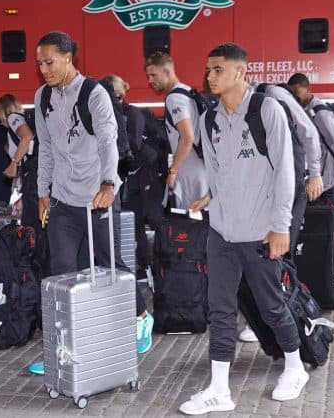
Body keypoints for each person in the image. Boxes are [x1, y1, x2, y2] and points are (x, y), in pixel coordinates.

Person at [180, 43, 308, 414]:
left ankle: (296, 368)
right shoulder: (208, 119)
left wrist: (280, 227)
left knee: (271, 306)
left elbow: (286, 172)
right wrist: (210, 196)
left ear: (240, 72)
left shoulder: (267, 110)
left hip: (260, 231)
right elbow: (219, 171)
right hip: (221, 231)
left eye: (217, 69)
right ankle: (220, 390)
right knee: (219, 310)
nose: (209, 76)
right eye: (208, 70)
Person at [27, 31, 154, 376]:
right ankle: (62, 352)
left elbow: (108, 144)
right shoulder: (42, 98)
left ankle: (141, 316)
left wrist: (109, 183)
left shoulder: (94, 94)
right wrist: (42, 193)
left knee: (106, 262)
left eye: (49, 61)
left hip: (97, 198)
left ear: (68, 58)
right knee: (62, 275)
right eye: (39, 62)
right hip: (63, 202)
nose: (43, 68)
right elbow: (47, 149)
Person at [238, 81, 324, 344]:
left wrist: (315, 174)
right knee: (264, 253)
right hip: (264, 190)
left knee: (277, 252)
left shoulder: (273, 95)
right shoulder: (238, 109)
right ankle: (271, 318)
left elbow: (309, 132)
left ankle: (284, 319)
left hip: (290, 185)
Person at [101, 74, 164, 272]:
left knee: (153, 217)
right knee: (134, 220)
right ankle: (146, 263)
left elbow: (133, 144)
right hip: (132, 174)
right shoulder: (115, 114)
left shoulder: (132, 113)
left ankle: (163, 260)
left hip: (147, 171)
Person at [145, 51, 208, 210]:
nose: (150, 81)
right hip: (201, 169)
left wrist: (173, 171)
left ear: (167, 72)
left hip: (190, 173)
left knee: (191, 226)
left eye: (153, 75)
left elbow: (187, 137)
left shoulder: (174, 98)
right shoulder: (187, 91)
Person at [287, 73, 334, 202]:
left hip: (324, 185)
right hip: (312, 183)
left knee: (323, 220)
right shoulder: (302, 111)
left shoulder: (320, 114)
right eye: (292, 93)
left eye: (297, 92)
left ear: (309, 89)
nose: (295, 97)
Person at [0, 94, 38, 229]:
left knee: (29, 224)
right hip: (27, 179)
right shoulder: (16, 125)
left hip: (30, 178)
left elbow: (27, 136)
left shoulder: (13, 118)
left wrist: (13, 163)